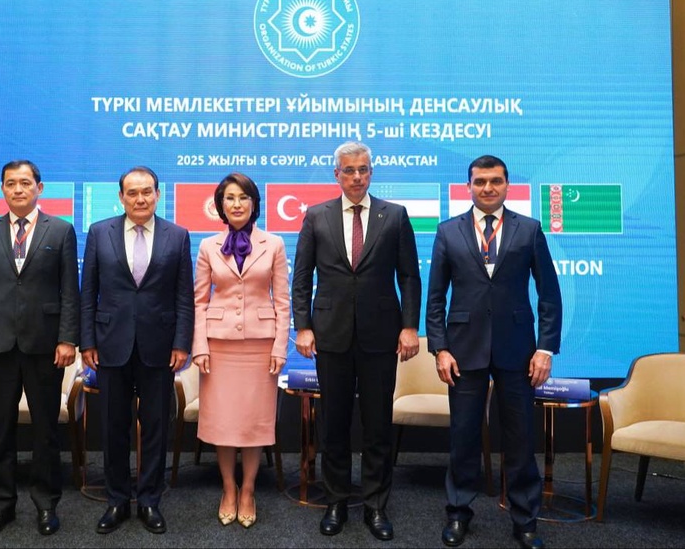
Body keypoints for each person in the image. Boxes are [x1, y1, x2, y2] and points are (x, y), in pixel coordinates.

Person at [426, 155, 562, 549]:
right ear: (468, 186)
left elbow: (549, 295)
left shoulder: (529, 229)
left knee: (520, 438)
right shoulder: (448, 231)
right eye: (480, 181)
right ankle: (458, 513)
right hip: (463, 351)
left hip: (517, 350)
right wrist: (440, 349)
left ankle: (525, 520)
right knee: (463, 437)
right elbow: (435, 298)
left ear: (507, 185)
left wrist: (545, 348)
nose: (488, 188)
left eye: (496, 181)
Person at [291, 141, 421, 541]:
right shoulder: (317, 216)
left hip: (381, 335)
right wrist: (303, 326)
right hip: (330, 335)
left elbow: (409, 276)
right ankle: (336, 501)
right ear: (337, 175)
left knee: (377, 424)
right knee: (334, 424)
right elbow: (302, 277)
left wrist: (410, 326)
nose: (357, 177)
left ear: (371, 172)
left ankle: (375, 505)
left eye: (363, 169)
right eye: (349, 170)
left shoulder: (394, 215)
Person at [0, 159, 80, 538]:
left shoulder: (60, 230)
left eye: (25, 183)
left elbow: (70, 290)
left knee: (46, 430)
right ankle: (2, 506)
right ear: (3, 189)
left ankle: (46, 504)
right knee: (0, 430)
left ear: (39, 188)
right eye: (11, 183)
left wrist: (68, 339)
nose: (18, 189)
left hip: (45, 345)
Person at [80, 166, 195, 535]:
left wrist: (182, 343)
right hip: (110, 345)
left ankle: (149, 500)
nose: (140, 198)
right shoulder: (100, 232)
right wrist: (87, 341)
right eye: (132, 192)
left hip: (159, 346)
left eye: (147, 191)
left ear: (158, 195)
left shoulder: (178, 235)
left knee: (156, 427)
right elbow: (88, 292)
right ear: (121, 197)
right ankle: (116, 500)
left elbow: (184, 296)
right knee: (114, 427)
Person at [192, 173, 290, 529]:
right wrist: (199, 346)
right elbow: (199, 301)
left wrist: (280, 346)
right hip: (218, 347)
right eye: (230, 198)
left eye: (243, 197)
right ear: (220, 205)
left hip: (260, 346)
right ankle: (228, 488)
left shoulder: (274, 244)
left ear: (254, 203)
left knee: (252, 421)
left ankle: (248, 490)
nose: (237, 204)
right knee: (224, 421)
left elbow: (282, 300)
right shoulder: (208, 246)